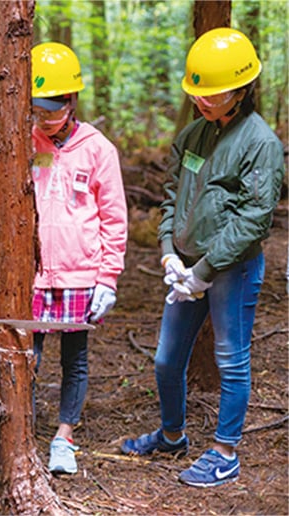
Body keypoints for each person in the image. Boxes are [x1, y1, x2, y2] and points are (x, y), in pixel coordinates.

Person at [121, 28, 285, 488]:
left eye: (212, 94)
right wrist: (170, 253)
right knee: (166, 360)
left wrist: (204, 271)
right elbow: (172, 196)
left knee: (231, 358)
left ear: (241, 89)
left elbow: (254, 219)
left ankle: (225, 452)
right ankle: (172, 435)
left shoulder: (261, 144)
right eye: (197, 94)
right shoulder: (192, 135)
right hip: (185, 268)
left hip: (231, 270)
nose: (202, 102)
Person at [29, 42, 128, 475]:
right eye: (38, 110)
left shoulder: (98, 149)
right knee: (25, 354)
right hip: (32, 274)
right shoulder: (24, 141)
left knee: (75, 358)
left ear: (71, 101)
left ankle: (63, 437)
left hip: (80, 272)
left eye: (53, 109)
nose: (45, 118)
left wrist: (108, 278)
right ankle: (21, 430)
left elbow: (114, 218)